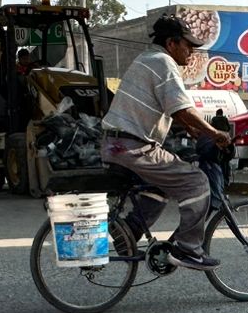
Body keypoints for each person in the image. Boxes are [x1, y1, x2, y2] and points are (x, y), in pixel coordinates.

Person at [99, 15, 232, 270]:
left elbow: (164, 108)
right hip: (134, 148)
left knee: (159, 186)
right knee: (197, 182)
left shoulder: (146, 60)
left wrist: (192, 129)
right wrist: (212, 132)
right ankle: (189, 249)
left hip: (115, 145)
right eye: (187, 46)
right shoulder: (164, 63)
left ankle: (127, 230)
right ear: (172, 44)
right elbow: (182, 109)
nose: (191, 52)